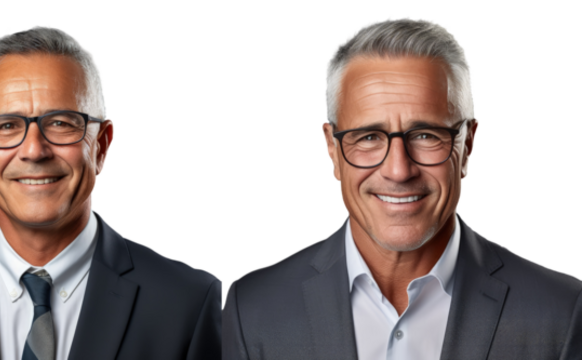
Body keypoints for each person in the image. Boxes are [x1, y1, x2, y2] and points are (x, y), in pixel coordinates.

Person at [221, 16, 581, 359]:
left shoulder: (561, 313)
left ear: (469, 144)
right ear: (331, 148)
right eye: (369, 137)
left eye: (426, 135)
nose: (398, 170)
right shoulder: (252, 309)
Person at [0, 24, 223, 360]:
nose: (34, 150)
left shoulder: (189, 302)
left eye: (61, 123)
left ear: (102, 145)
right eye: (6, 126)